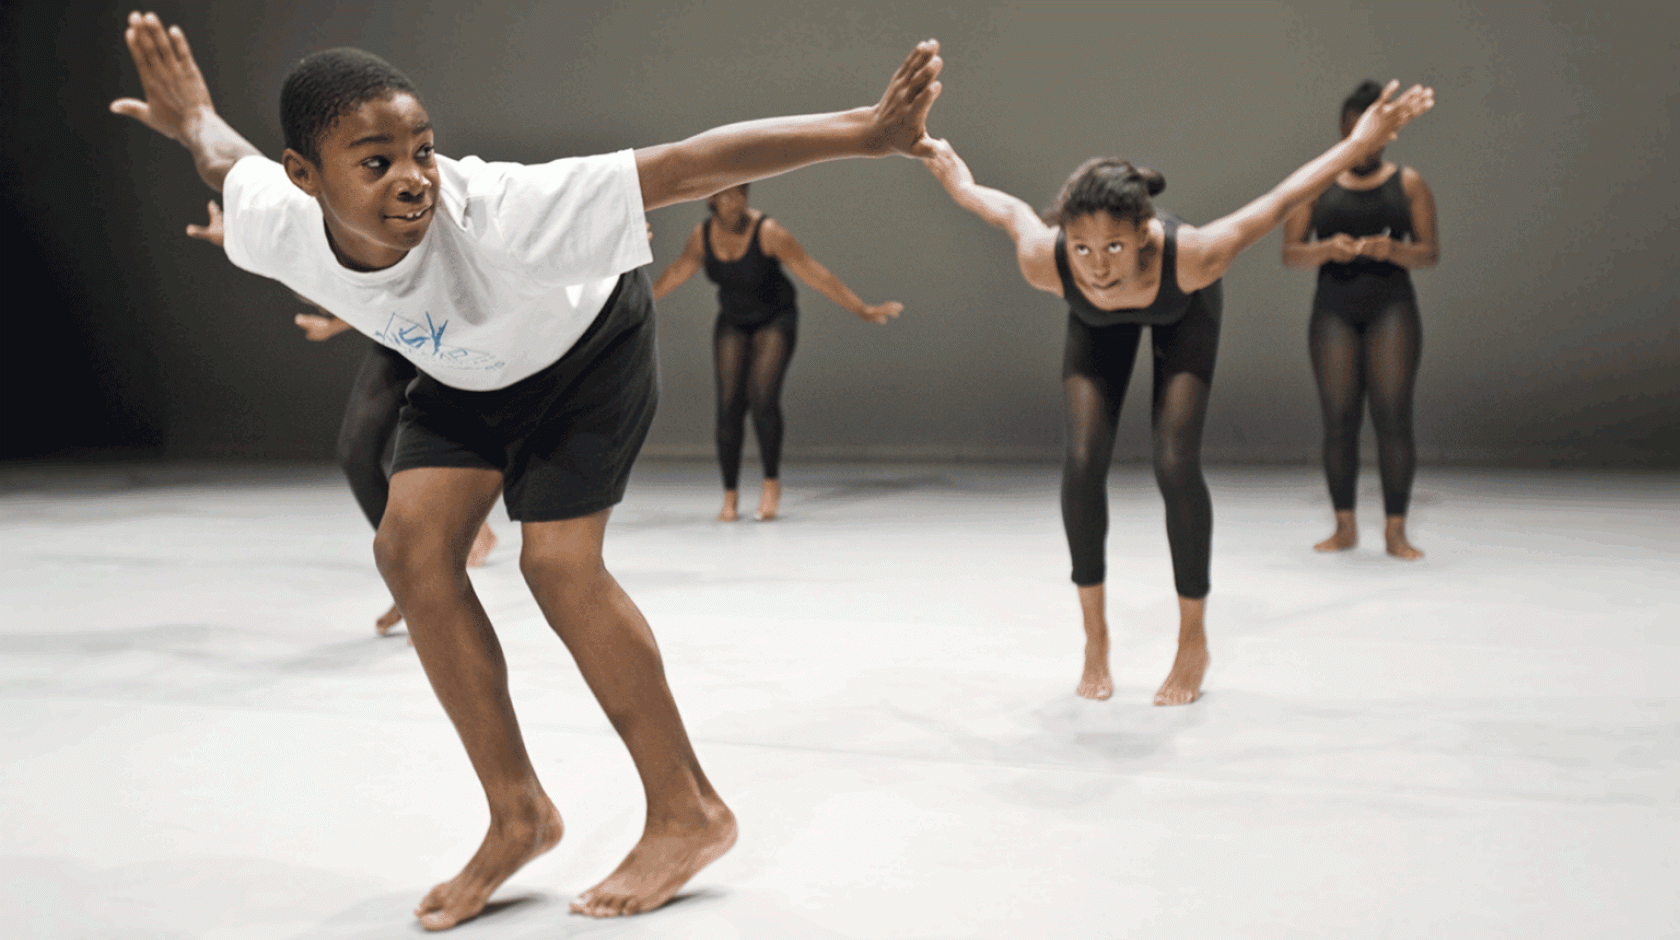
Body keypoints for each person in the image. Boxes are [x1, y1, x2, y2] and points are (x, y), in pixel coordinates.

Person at [111, 10, 942, 923]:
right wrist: (191, 111)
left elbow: (684, 164)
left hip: (584, 346)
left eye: (422, 150)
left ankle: (689, 811)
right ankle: (519, 815)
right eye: (375, 160)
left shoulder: (503, 212)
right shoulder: (274, 221)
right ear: (306, 179)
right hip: (468, 370)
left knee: (558, 565)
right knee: (410, 550)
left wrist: (867, 132)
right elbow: (226, 161)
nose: (412, 178)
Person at [921, 80, 1433, 705]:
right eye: (1081, 247)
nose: (1097, 265)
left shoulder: (1193, 256)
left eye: (1112, 246)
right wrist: (957, 180)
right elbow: (1006, 211)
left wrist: (1358, 143)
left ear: (1142, 232)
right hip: (1094, 327)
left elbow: (1279, 200)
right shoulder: (1046, 261)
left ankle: (1193, 639)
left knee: (1174, 461)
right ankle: (1095, 638)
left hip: (1181, 314)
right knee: (1082, 464)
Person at [186, 200, 497, 635]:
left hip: (453, 334)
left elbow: (409, 278)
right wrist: (235, 240)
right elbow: (358, 286)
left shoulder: (388, 206)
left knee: (445, 461)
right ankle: (420, 574)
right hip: (399, 336)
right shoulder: (318, 227)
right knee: (356, 453)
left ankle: (437, 573)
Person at [651, 184, 902, 521]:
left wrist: (862, 309)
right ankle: (730, 495)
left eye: (741, 194)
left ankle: (771, 483)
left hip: (775, 318)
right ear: (712, 199)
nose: (735, 202)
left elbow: (814, 273)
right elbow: (677, 271)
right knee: (728, 406)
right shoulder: (702, 236)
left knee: (762, 398)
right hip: (733, 320)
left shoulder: (768, 232)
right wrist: (639, 306)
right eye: (727, 195)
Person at [1282, 80, 1439, 559]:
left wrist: (1393, 249)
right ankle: (1345, 525)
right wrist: (1328, 249)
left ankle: (1396, 529)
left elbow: (1430, 253)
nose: (1364, 141)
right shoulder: (1318, 183)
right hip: (1334, 310)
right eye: (1354, 132)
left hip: (1392, 307)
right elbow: (1290, 253)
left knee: (1393, 415)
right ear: (1344, 133)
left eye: (1372, 132)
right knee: (1339, 418)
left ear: (1387, 133)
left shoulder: (1407, 182)